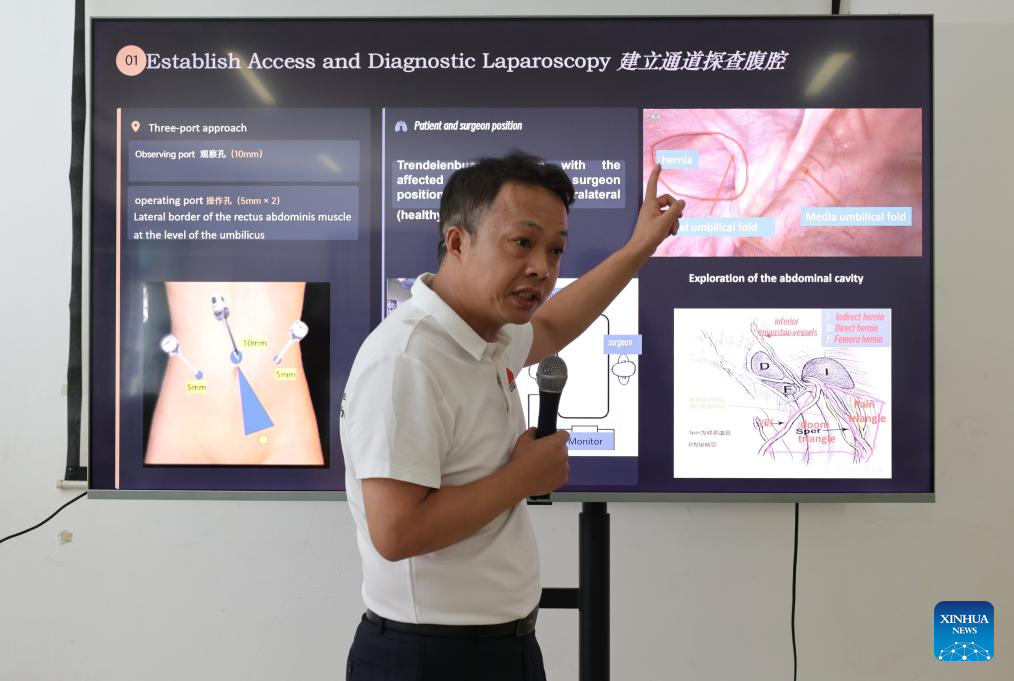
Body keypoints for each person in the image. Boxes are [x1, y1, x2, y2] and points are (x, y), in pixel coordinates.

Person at [340, 151, 684, 680]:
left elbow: (549, 329)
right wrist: (522, 478)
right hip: (430, 660)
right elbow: (397, 532)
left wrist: (637, 251)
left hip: (501, 648)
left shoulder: (483, 334)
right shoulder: (407, 359)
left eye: (555, 249)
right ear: (458, 242)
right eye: (522, 243)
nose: (542, 268)